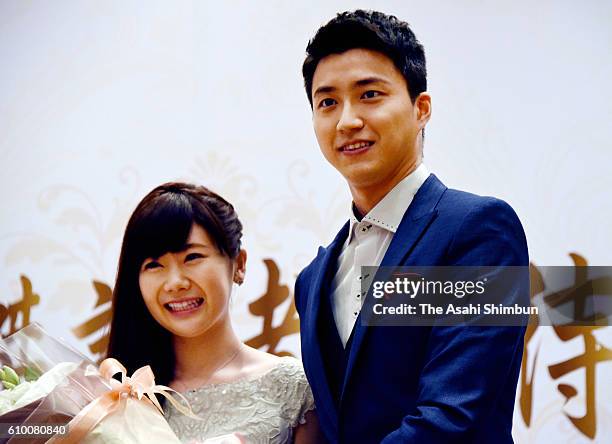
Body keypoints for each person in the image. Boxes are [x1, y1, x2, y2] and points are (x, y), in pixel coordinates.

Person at [294, 10, 529, 443]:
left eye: (369, 95)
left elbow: (454, 416)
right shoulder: (312, 280)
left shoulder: (479, 231)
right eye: (327, 102)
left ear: (421, 109)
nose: (347, 120)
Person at [107, 182, 320, 443]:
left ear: (239, 264)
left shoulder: (294, 388)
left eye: (192, 257)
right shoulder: (116, 394)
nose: (175, 282)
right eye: (154, 265)